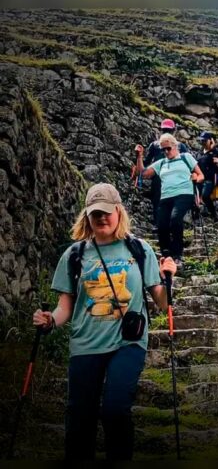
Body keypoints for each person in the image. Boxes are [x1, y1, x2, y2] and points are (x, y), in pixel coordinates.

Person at [32, 183, 177, 461]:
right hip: (85, 344)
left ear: (119, 212)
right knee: (79, 418)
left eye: (106, 212)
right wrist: (50, 320)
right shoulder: (74, 255)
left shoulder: (139, 249)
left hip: (128, 342)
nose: (101, 218)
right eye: (95, 213)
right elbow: (65, 307)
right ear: (87, 216)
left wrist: (168, 276)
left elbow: (162, 302)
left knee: (115, 409)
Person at [137, 134, 204, 268]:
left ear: (175, 146)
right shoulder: (161, 162)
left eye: (168, 148)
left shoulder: (186, 158)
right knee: (161, 224)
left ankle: (177, 255)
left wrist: (196, 178)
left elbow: (201, 174)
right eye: (163, 150)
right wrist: (139, 156)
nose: (166, 152)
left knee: (175, 219)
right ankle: (166, 255)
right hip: (166, 196)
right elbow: (143, 173)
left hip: (184, 193)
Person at [133, 119, 189, 232]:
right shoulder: (178, 146)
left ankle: (161, 224)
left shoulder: (156, 145)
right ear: (174, 131)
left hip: (163, 177)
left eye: (167, 130)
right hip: (168, 178)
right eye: (165, 130)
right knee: (163, 200)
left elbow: (147, 162)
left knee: (160, 200)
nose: (166, 132)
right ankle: (163, 224)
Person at [196, 131, 218, 221]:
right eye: (202, 141)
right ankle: (198, 216)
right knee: (197, 197)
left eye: (205, 141)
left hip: (209, 179)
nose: (203, 143)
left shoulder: (215, 152)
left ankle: (214, 215)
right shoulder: (199, 153)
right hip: (200, 179)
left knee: (205, 196)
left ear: (210, 141)